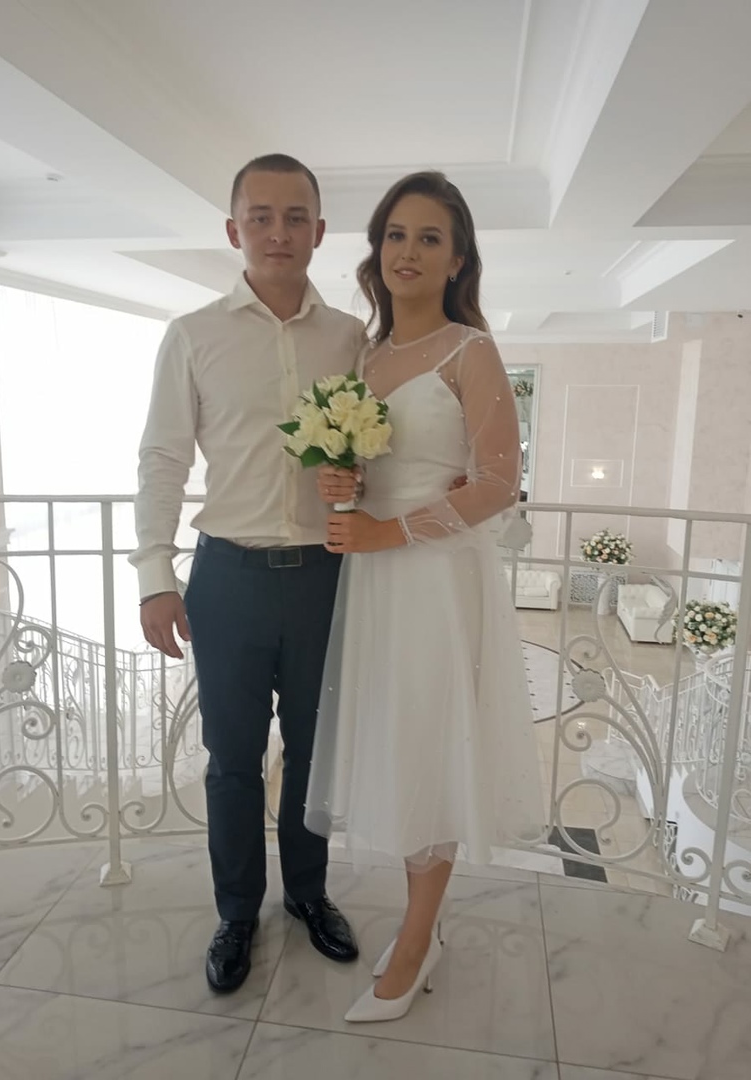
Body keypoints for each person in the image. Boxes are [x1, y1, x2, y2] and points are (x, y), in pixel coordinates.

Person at [305, 171, 545, 1023]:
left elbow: (500, 483)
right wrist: (343, 481)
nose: (408, 251)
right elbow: (365, 467)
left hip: (435, 576)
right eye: (395, 235)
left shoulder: (469, 350)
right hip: (374, 580)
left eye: (429, 238)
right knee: (396, 739)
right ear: (377, 250)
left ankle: (416, 939)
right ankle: (422, 926)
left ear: (457, 260)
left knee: (430, 743)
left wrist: (391, 530)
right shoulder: (363, 359)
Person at [131, 154, 364, 995]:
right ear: (235, 230)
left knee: (314, 751)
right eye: (260, 217)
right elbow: (163, 459)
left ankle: (308, 893)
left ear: (319, 231)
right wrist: (155, 574)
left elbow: (377, 451)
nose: (278, 232)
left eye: (295, 217)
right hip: (226, 578)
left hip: (325, 578)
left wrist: (360, 481)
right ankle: (237, 912)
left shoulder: (351, 339)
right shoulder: (193, 335)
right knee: (231, 757)